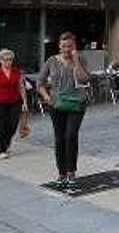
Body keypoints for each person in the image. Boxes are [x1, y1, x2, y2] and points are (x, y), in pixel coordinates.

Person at [38, 32, 90, 191]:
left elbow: (84, 79)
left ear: (74, 46)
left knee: (71, 136)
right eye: (64, 46)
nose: (67, 49)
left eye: (70, 46)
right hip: (57, 105)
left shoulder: (80, 59)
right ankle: (61, 172)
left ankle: (71, 172)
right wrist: (47, 97)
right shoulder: (51, 61)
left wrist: (75, 60)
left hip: (76, 104)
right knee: (60, 138)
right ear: (59, 46)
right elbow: (40, 82)